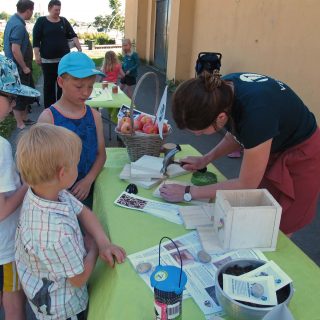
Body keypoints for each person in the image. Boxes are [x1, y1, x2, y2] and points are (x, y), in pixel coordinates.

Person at [160, 71, 320, 236]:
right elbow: (237, 133)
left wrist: (188, 192)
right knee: (261, 214)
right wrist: (205, 159)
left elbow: (246, 184)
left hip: (303, 153)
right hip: (274, 141)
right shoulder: (218, 91)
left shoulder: (257, 114)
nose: (197, 135)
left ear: (221, 117)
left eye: (199, 132)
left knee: (280, 224)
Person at [15, 123, 126, 320]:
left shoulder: (46, 192)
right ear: (62, 173)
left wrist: (104, 243)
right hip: (64, 309)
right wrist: (93, 249)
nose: (78, 166)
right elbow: (79, 279)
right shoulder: (55, 235)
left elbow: (83, 211)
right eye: (76, 163)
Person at [37, 51, 106, 208]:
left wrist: (88, 180)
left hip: (90, 189)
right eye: (79, 86)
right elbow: (41, 166)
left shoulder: (95, 116)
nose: (86, 92)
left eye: (90, 86)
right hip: (57, 197)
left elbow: (101, 154)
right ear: (61, 82)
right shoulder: (48, 119)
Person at [0, 55, 40, 320]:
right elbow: (1, 211)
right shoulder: (1, 148)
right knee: (14, 298)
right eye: (11, 99)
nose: (13, 105)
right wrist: (27, 184)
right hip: (5, 246)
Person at [33, 0, 82, 108]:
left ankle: (62, 106)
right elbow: (36, 40)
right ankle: (50, 109)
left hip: (64, 61)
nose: (58, 12)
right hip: (48, 61)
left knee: (63, 85)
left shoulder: (63, 21)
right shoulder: (41, 21)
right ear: (49, 9)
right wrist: (37, 56)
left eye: (59, 9)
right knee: (49, 85)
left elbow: (73, 35)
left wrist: (79, 50)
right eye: (56, 10)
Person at [3, 0, 36, 130]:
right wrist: (24, 67)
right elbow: (15, 49)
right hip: (18, 68)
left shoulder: (13, 21)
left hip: (15, 66)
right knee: (20, 94)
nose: (32, 14)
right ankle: (20, 123)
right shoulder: (18, 26)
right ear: (28, 10)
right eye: (32, 11)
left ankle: (24, 118)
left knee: (24, 93)